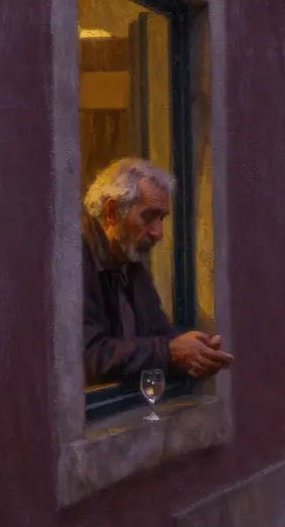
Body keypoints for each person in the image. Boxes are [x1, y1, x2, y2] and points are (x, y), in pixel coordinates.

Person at [83, 158, 234, 385]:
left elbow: (157, 331)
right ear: (112, 212)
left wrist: (196, 351)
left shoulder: (129, 260)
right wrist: (171, 351)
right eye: (148, 216)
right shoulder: (75, 263)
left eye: (161, 218)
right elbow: (87, 358)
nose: (158, 233)